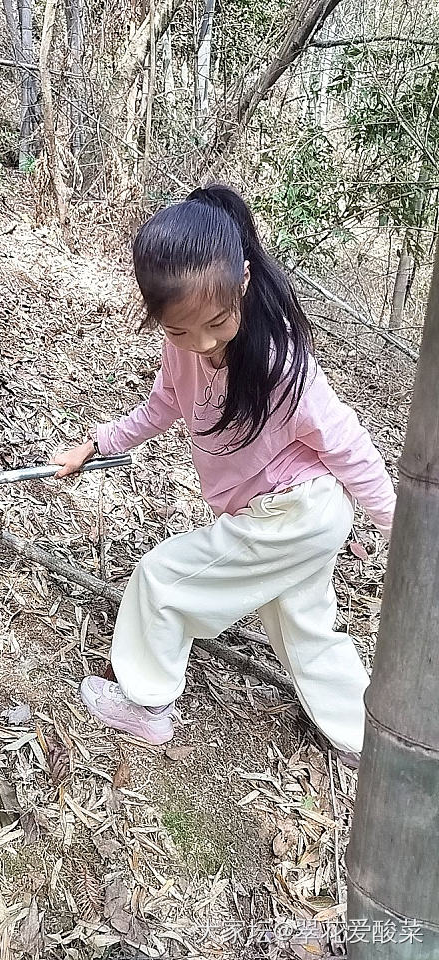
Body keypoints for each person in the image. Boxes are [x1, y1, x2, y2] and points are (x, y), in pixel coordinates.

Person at [51, 185, 395, 769]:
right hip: (294, 518)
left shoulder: (277, 363)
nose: (203, 344)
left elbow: (348, 444)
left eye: (216, 322)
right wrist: (95, 444)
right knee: (301, 630)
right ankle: (369, 737)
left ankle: (145, 704)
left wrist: (406, 534)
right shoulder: (182, 350)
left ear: (241, 286)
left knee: (162, 581)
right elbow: (162, 407)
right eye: (180, 331)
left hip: (292, 513)